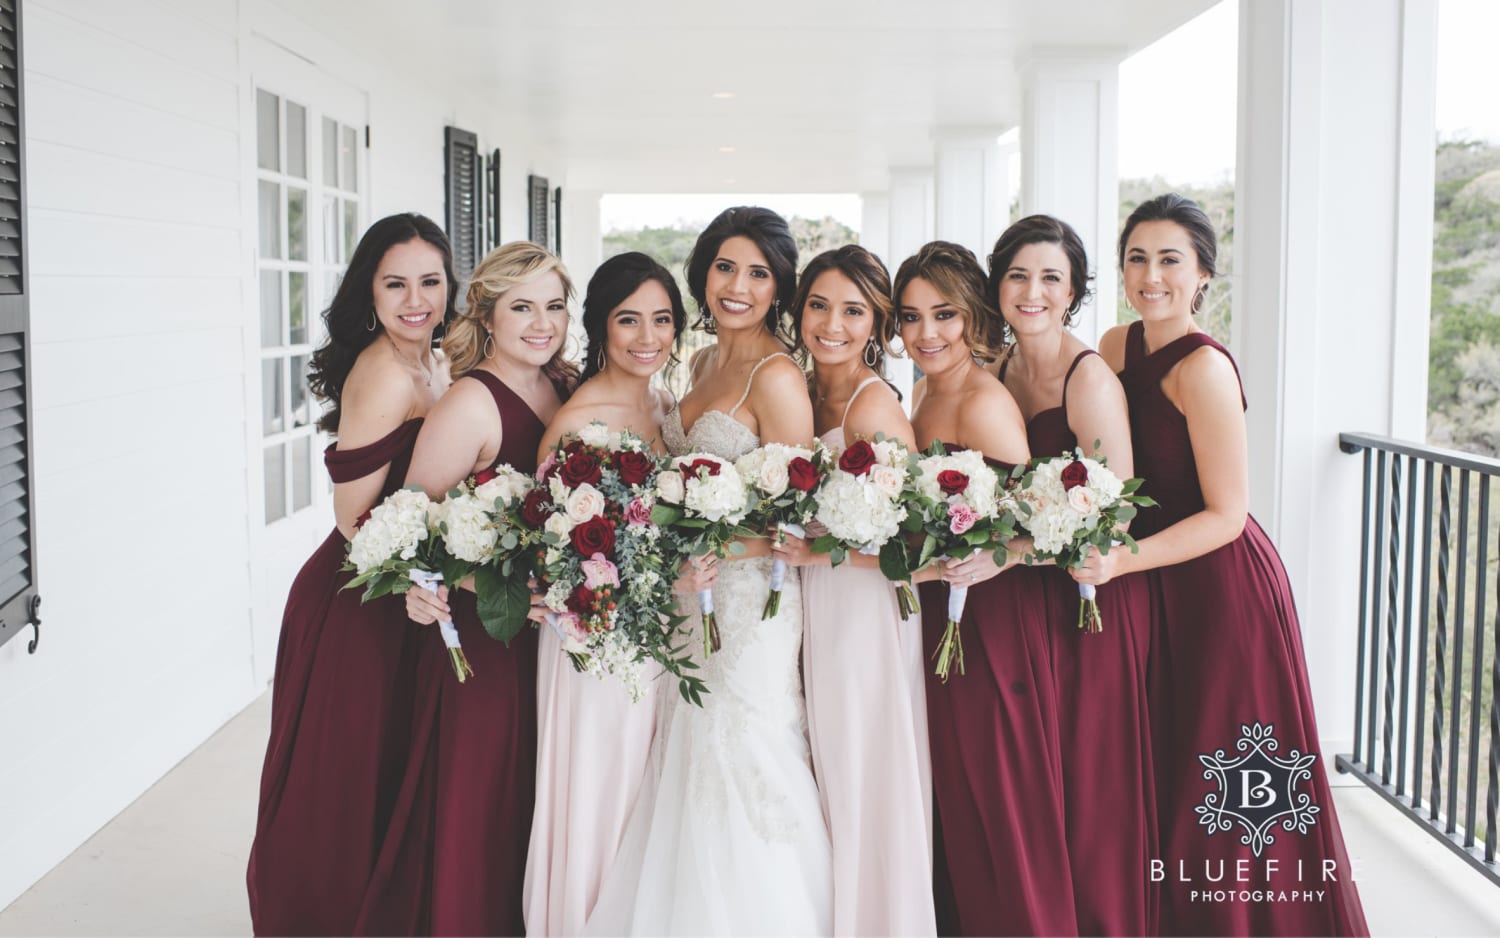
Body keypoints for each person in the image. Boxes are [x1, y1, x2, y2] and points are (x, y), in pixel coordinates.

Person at [1077, 193, 1369, 936]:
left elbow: (1227, 513)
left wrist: (1119, 559)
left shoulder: (1205, 369)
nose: (1151, 275)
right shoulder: (1116, 347)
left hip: (1218, 590)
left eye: (1170, 260)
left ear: (1203, 272)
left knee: (1225, 778)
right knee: (1165, 768)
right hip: (1147, 584)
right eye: (1137, 258)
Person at [585, 207, 832, 936]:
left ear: (779, 288)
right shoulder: (697, 364)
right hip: (690, 602)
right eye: (725, 267)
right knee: (689, 754)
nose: (738, 285)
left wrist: (730, 548)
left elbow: (805, 514)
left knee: (745, 753)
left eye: (759, 273)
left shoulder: (777, 376)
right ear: (703, 274)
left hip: (753, 607)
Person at [246, 212, 455, 936]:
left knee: (392, 770)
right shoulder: (383, 371)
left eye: (429, 281)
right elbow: (354, 518)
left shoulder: (439, 360)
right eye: (395, 284)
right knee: (343, 780)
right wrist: (418, 581)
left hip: (409, 592)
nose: (414, 299)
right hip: (359, 597)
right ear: (370, 293)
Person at [378, 240, 575, 935]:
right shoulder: (470, 401)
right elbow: (407, 529)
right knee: (483, 802)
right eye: (522, 306)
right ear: (488, 315)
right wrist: (497, 587)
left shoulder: (564, 382)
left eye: (554, 305)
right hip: (489, 644)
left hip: (553, 641)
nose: (541, 321)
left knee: (537, 804)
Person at [897, 240, 1078, 936]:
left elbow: (1032, 518)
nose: (926, 334)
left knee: (1003, 799)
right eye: (911, 318)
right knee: (959, 800)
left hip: (993, 625)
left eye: (944, 315)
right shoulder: (922, 391)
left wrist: (992, 556)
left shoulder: (984, 402)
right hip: (945, 617)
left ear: (974, 317)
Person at [988, 215, 1156, 935]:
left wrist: (1023, 550)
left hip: (1087, 606)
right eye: (1019, 275)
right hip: (1015, 611)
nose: (1032, 291)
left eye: (1050, 278)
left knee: (1089, 794)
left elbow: (1116, 510)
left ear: (1075, 292)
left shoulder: (1089, 379)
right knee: (1028, 791)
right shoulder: (993, 371)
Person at [767, 245, 934, 937]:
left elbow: (923, 550)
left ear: (878, 325)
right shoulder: (803, 391)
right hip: (817, 602)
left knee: (866, 766)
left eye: (853, 310)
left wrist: (829, 550)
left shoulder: (876, 408)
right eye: (818, 305)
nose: (831, 323)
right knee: (824, 764)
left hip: (866, 611)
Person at [521, 251, 686, 935]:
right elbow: (546, 546)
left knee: (649, 798)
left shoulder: (664, 401)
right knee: (599, 793)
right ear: (598, 325)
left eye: (662, 320)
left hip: (658, 636)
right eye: (628, 320)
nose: (647, 337)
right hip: (595, 642)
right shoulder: (578, 420)